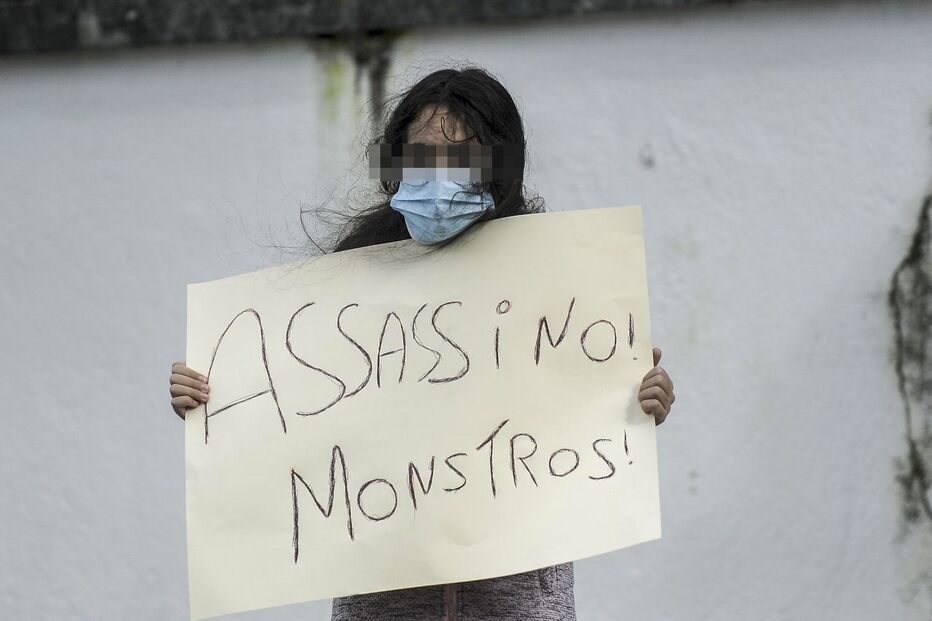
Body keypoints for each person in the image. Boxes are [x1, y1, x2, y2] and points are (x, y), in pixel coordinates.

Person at [169, 66, 676, 621]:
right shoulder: (344, 295)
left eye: (462, 158)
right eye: (421, 156)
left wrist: (639, 397)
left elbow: (588, 421)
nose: (438, 177)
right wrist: (211, 399)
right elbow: (289, 418)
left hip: (518, 605)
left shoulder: (559, 286)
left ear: (501, 167)